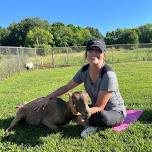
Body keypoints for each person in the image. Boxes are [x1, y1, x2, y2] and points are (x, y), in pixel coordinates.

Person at [33, 39, 126, 138]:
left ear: (103, 54)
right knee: (72, 107)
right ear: (86, 53)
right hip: (95, 108)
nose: (94, 53)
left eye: (98, 50)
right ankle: (89, 125)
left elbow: (100, 107)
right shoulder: (84, 71)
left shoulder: (108, 75)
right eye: (91, 50)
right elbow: (66, 87)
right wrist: (47, 98)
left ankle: (89, 124)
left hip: (115, 112)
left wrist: (83, 114)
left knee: (101, 116)